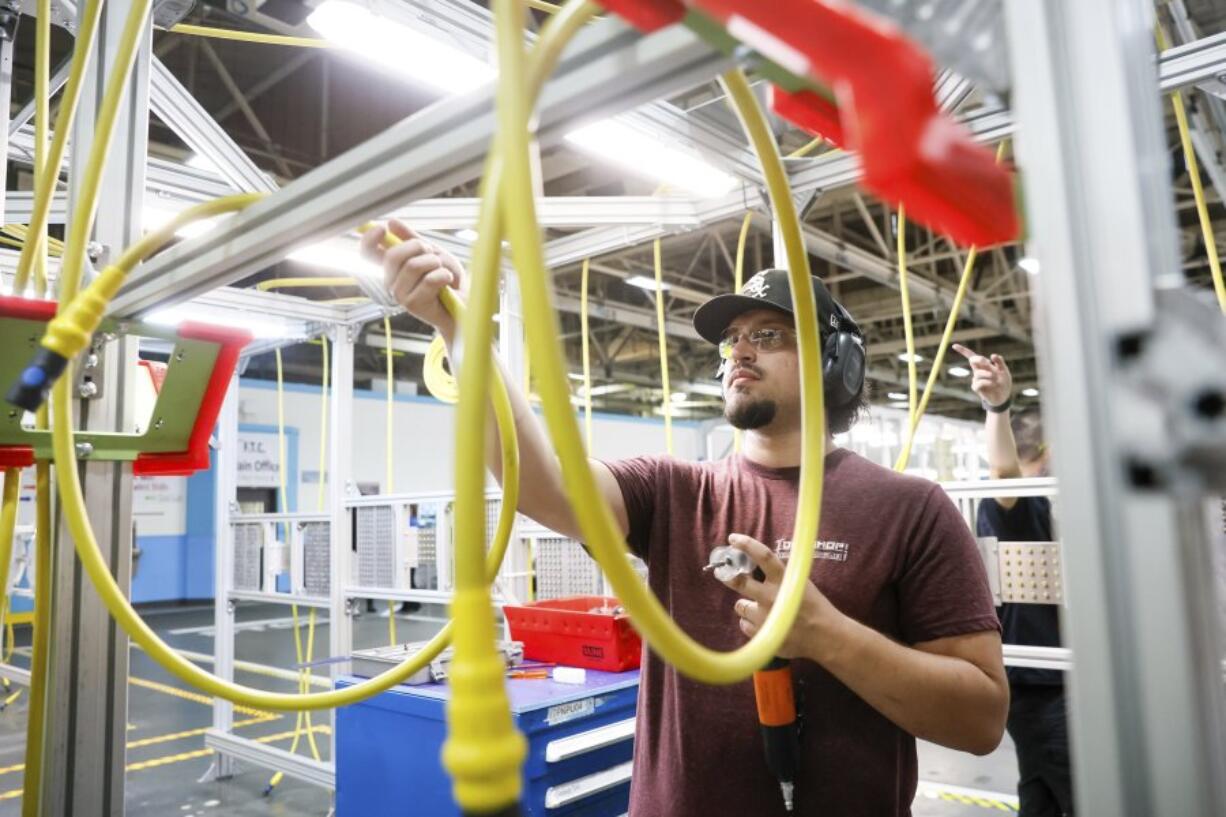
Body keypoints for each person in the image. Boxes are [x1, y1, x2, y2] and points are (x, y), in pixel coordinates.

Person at [362, 221, 1008, 817]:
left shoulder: (911, 508)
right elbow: (541, 483)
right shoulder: (675, 490)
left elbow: (981, 719)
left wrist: (825, 634)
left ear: (836, 364)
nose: (739, 352)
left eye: (769, 335)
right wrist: (463, 333)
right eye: (732, 339)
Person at [953, 344, 1072, 817]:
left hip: (1037, 688)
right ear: (1048, 452)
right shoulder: (1021, 505)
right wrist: (997, 408)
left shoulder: (1055, 507)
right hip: (1046, 689)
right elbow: (1004, 474)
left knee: (1039, 793)